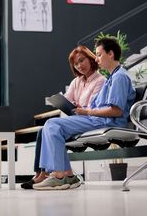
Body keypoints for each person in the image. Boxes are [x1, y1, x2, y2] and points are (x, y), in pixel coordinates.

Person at [33, 37, 136, 190]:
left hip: (106, 121)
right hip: (98, 119)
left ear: (111, 54)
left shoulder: (119, 77)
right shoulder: (112, 77)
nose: (96, 58)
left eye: (99, 54)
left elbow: (116, 111)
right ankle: (65, 174)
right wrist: (85, 110)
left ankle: (61, 175)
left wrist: (87, 111)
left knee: (52, 124)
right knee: (51, 126)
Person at [21, 45, 106, 189]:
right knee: (43, 130)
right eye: (76, 64)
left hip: (91, 118)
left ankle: (59, 174)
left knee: (52, 125)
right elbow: (67, 99)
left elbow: (93, 107)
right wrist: (66, 103)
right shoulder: (77, 81)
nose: (79, 66)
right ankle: (44, 174)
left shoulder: (100, 80)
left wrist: (79, 106)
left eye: (82, 60)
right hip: (77, 118)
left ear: (91, 59)